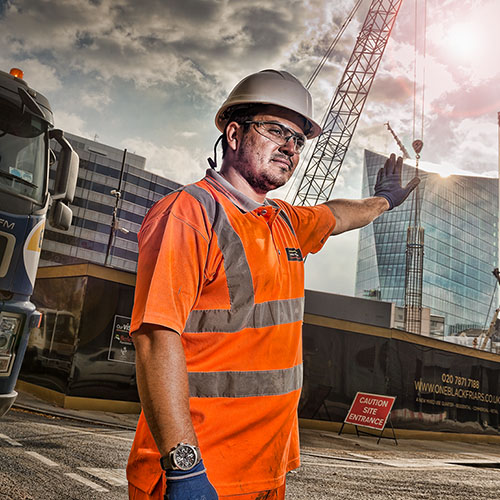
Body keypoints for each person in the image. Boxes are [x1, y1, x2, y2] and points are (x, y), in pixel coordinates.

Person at [126, 69, 419, 500]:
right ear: (233, 133)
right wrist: (184, 467)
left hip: (267, 472)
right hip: (202, 474)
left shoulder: (283, 222)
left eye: (299, 140)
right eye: (276, 130)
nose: (290, 147)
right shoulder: (190, 213)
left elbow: (337, 214)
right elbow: (155, 338)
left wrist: (385, 201)